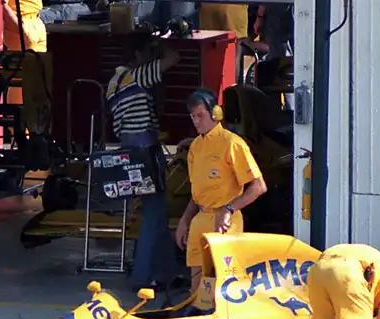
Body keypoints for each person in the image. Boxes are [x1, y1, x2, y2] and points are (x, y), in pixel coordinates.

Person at [107, 31, 180, 291]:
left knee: (157, 212)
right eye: (148, 53)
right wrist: (162, 41)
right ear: (138, 54)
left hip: (130, 150)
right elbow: (174, 58)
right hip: (145, 150)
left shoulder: (116, 80)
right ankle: (142, 276)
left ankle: (167, 274)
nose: (152, 58)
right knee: (153, 214)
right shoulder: (137, 76)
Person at [175, 88, 266, 293]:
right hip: (200, 219)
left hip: (225, 222)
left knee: (226, 286)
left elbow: (258, 186)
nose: (196, 121)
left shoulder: (232, 143)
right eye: (193, 116)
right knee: (197, 289)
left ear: (215, 114)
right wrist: (185, 220)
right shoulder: (195, 147)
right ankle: (197, 310)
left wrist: (228, 209)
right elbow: (197, 191)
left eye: (200, 115)